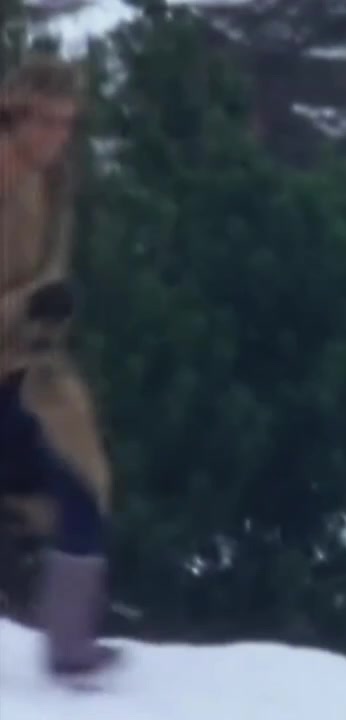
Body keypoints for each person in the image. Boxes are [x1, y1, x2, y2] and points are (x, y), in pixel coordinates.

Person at [0, 55, 122, 681]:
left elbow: (49, 272)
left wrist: (47, 311)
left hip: (28, 367)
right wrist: (27, 304)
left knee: (78, 481)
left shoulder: (53, 183)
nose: (55, 135)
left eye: (66, 123)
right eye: (44, 120)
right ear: (14, 115)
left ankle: (71, 644)